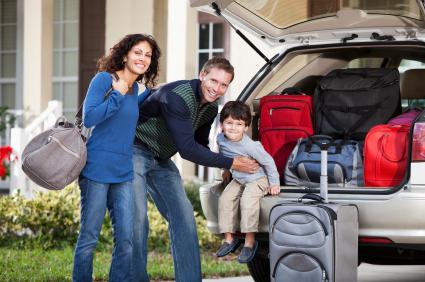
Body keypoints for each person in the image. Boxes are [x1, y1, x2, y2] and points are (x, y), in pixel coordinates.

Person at [132, 57, 259, 282]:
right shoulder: (176, 97)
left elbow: (199, 144)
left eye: (223, 85)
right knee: (137, 220)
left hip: (161, 158)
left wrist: (226, 164)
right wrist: (230, 162)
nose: (216, 88)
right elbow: (188, 150)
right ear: (202, 75)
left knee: (184, 218)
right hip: (134, 149)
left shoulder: (210, 109)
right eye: (213, 80)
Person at [73, 34, 161, 282]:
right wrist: (117, 94)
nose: (142, 58)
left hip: (123, 172)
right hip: (96, 169)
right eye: (138, 52)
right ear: (124, 55)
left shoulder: (135, 90)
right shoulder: (104, 80)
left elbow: (125, 120)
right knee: (89, 238)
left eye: (147, 55)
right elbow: (90, 117)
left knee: (126, 240)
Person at [215, 101, 280, 263]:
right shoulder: (220, 139)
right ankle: (229, 239)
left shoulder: (251, 146)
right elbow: (225, 157)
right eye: (229, 123)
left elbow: (269, 162)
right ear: (222, 124)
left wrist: (274, 182)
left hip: (258, 178)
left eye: (239, 124)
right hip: (239, 177)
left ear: (246, 127)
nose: (233, 127)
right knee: (225, 198)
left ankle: (250, 242)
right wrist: (226, 171)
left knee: (247, 201)